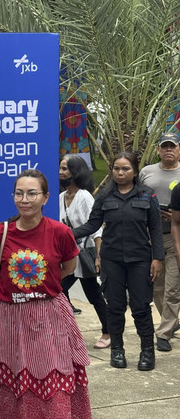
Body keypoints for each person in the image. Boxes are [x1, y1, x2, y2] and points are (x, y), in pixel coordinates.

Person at [0, 169, 93, 419]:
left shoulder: (59, 232)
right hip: (9, 317)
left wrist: (43, 290)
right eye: (19, 193)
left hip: (49, 315)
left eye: (32, 193)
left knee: (54, 384)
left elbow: (69, 267)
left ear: (46, 197)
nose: (24, 200)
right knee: (13, 385)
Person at [73, 152, 164, 371]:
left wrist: (158, 258)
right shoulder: (105, 196)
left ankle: (146, 353)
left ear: (135, 171)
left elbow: (156, 228)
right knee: (115, 307)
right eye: (116, 168)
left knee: (141, 307)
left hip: (140, 260)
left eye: (125, 169)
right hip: (112, 260)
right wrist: (63, 233)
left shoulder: (147, 196)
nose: (120, 173)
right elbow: (92, 225)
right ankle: (117, 350)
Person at [59, 154, 110, 348]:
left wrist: (99, 255)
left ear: (76, 171)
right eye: (61, 168)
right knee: (59, 289)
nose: (61, 172)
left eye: (65, 168)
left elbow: (96, 227)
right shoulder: (61, 197)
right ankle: (64, 332)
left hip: (84, 254)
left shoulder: (84, 196)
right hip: (68, 256)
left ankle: (108, 332)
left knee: (93, 295)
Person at [140, 133, 180, 352]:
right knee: (157, 286)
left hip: (176, 236)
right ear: (158, 150)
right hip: (150, 237)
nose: (168, 151)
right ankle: (170, 320)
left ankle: (163, 332)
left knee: (173, 287)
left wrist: (175, 215)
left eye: (172, 147)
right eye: (164, 147)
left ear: (179, 149)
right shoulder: (147, 172)